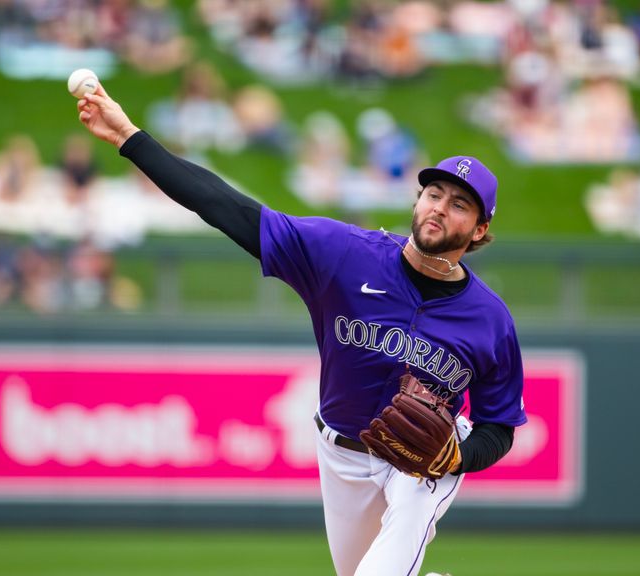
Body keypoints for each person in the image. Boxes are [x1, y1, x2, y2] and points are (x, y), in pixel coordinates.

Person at [76, 84, 526, 576]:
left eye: (459, 204)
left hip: (424, 461)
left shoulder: (490, 319)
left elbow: (498, 426)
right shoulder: (343, 253)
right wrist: (128, 136)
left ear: (480, 229)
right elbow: (227, 207)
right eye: (433, 193)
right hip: (342, 455)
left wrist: (454, 456)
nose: (439, 206)